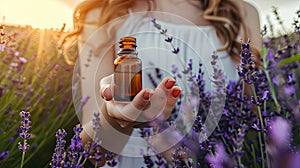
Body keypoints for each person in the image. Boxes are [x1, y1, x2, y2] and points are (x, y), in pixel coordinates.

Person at [61, 0, 262, 167]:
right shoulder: (103, 13)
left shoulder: (242, 14)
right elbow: (94, 152)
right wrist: (118, 118)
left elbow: (253, 120)